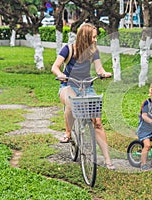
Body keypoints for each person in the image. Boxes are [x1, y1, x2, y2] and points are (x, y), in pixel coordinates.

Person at [51, 23, 115, 170]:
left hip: (87, 86)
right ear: (85, 37)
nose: (95, 40)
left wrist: (103, 73)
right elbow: (55, 67)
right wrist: (60, 75)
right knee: (70, 102)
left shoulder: (93, 51)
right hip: (68, 85)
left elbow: (99, 68)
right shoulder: (68, 49)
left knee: (97, 122)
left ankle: (107, 160)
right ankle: (68, 133)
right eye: (93, 37)